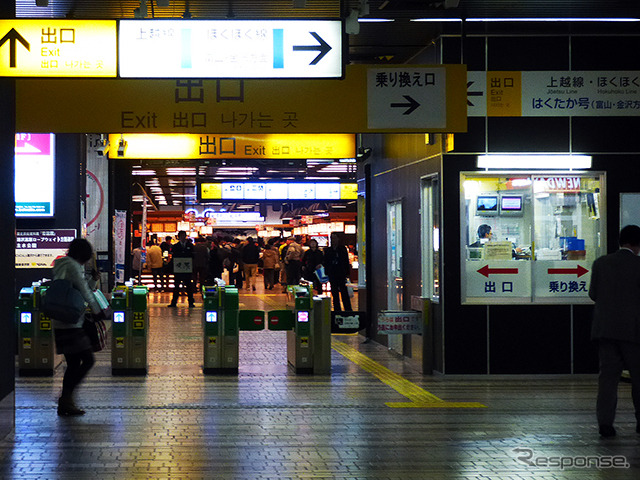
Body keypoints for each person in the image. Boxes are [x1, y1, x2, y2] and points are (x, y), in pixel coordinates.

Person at [589, 224, 640, 438]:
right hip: (634, 332)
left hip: (606, 330)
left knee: (608, 380)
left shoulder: (601, 263)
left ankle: (605, 425)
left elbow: (593, 294)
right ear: (637, 244)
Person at [52, 238, 108, 416]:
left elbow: (77, 289)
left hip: (61, 321)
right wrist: (99, 311)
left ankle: (66, 401)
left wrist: (92, 280)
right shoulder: (74, 266)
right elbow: (84, 292)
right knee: (87, 360)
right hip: (72, 323)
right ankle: (65, 398)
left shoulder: (60, 264)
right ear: (82, 254)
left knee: (74, 362)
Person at [323, 232, 352, 312]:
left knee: (344, 292)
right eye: (332, 238)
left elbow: (345, 261)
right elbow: (326, 262)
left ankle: (348, 309)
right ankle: (337, 309)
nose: (333, 240)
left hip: (341, 272)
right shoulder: (328, 250)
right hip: (332, 273)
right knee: (334, 293)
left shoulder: (342, 249)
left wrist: (347, 273)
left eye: (335, 238)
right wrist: (327, 272)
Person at [168, 231, 195, 308]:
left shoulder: (190, 245)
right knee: (176, 286)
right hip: (178, 269)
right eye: (181, 236)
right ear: (179, 237)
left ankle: (191, 302)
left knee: (189, 286)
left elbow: (193, 255)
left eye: (184, 236)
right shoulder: (175, 246)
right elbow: (174, 256)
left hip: (187, 269)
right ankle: (174, 302)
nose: (183, 237)